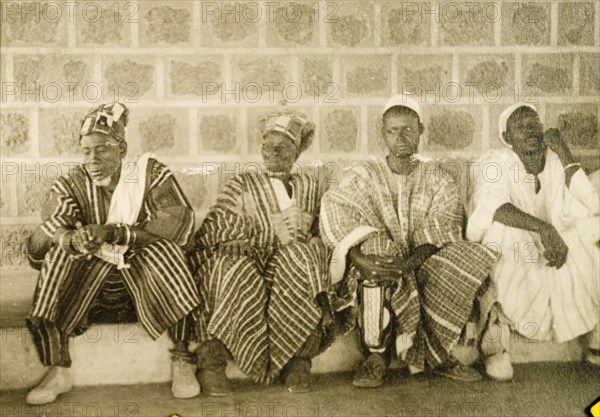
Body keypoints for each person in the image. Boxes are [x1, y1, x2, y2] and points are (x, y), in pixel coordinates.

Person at [25, 102, 201, 404]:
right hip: (92, 294)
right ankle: (59, 368)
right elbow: (45, 233)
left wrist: (115, 233)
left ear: (122, 148)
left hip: (146, 291)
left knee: (167, 252)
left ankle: (183, 358)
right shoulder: (73, 182)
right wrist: (71, 239)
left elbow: (177, 225)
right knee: (58, 256)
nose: (93, 159)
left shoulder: (149, 174)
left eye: (103, 149)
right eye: (87, 151)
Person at [319, 95, 499, 388]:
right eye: (392, 131)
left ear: (421, 130)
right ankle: (376, 356)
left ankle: (437, 354)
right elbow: (337, 210)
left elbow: (444, 225)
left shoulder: (437, 177)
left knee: (467, 255)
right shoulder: (364, 174)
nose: (400, 137)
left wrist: (409, 263)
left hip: (421, 262)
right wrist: (358, 257)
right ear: (383, 134)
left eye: (408, 129)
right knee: (377, 256)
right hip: (378, 265)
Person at [191, 110, 334, 395]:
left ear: (297, 150)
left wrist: (310, 246)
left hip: (291, 267)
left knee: (301, 259)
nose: (273, 153)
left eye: (282, 147)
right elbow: (220, 222)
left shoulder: (312, 185)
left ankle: (297, 362)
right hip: (250, 261)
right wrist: (232, 240)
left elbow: (327, 226)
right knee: (230, 266)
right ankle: (212, 362)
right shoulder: (243, 182)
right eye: (267, 147)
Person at [467, 103, 600, 380]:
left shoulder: (552, 161)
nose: (529, 130)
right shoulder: (496, 161)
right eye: (520, 126)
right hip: (519, 246)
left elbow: (586, 207)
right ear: (507, 137)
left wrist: (564, 153)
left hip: (548, 247)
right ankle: (496, 337)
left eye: (534, 124)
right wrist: (544, 229)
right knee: (502, 232)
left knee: (591, 230)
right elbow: (494, 207)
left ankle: (596, 339)